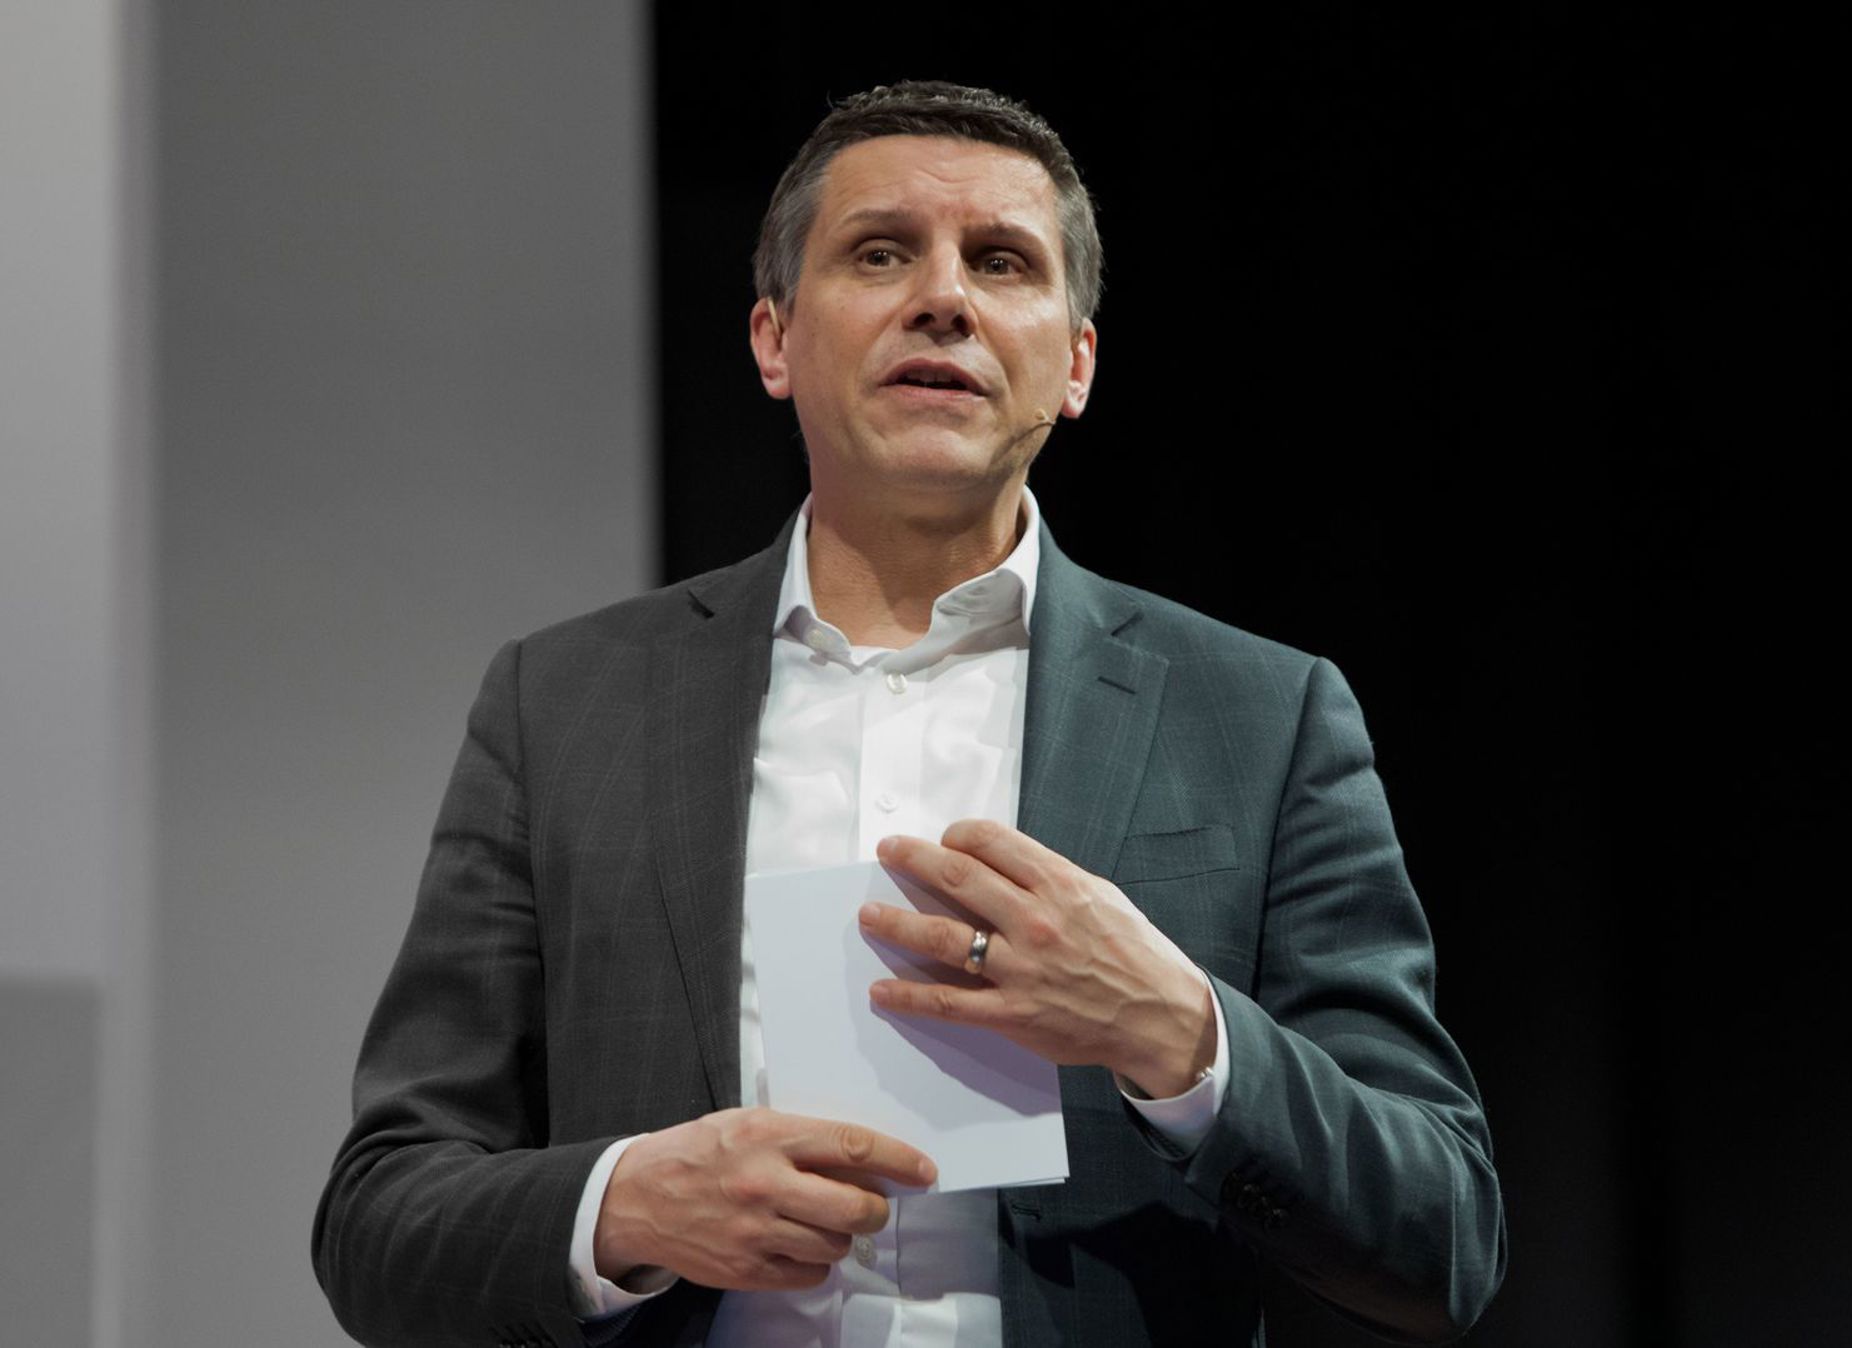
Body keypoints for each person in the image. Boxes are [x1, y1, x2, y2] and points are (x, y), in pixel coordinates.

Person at [312, 80, 1504, 1348]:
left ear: (1076, 362)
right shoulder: (564, 706)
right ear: (773, 340)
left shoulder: (1259, 717)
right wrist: (624, 1207)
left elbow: (1441, 1236)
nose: (943, 297)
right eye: (880, 253)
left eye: (1000, 261)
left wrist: (1178, 1033)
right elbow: (379, 1218)